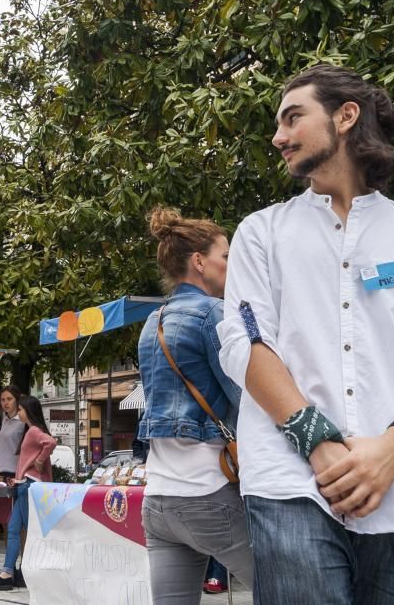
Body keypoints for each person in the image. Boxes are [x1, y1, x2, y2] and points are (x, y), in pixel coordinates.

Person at [217, 64, 394, 604]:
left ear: (345, 116)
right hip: (291, 484)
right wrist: (319, 443)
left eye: (293, 118)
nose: (278, 136)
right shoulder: (261, 233)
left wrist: (393, 447)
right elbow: (245, 345)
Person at [136, 206, 253, 602]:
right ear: (199, 262)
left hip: (159, 502)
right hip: (210, 494)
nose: (232, 265)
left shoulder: (155, 321)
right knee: (291, 591)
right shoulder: (214, 314)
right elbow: (248, 399)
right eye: (226, 256)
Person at [0, 395, 56, 591]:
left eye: (21, 410)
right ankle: (8, 571)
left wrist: (38, 461)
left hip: (27, 486)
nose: (19, 412)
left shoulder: (32, 430)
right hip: (24, 483)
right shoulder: (32, 430)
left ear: (28, 411)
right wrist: (27, 469)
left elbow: (51, 442)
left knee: (25, 530)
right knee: (14, 529)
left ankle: (19, 571)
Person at [0, 385, 25, 480]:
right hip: (0, 470)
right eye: (3, 400)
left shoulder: (23, 421)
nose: (5, 403)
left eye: (9, 399)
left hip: (15, 471)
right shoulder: (5, 420)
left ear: (17, 400)